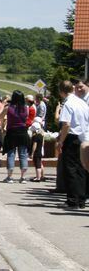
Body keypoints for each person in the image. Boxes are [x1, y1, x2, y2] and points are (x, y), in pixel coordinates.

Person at [57, 80, 89, 208]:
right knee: (81, 169)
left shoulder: (68, 103)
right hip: (83, 137)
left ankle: (72, 200)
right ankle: (81, 199)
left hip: (71, 137)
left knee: (70, 170)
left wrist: (60, 141)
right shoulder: (81, 102)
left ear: (61, 91)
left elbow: (66, 124)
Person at [2, 90, 31, 183]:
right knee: (23, 154)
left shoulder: (8, 108)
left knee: (11, 154)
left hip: (11, 132)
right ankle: (23, 177)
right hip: (23, 132)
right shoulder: (26, 108)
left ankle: (10, 177)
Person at [29, 116, 46, 183]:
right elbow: (42, 144)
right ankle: (42, 176)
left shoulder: (35, 136)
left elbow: (34, 145)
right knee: (40, 163)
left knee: (37, 165)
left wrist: (32, 153)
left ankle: (38, 177)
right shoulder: (41, 135)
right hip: (40, 151)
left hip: (36, 152)